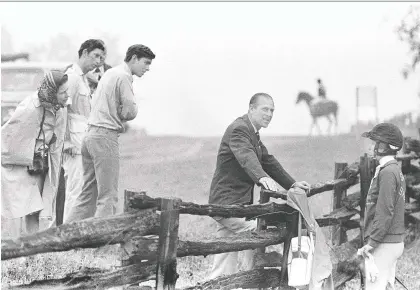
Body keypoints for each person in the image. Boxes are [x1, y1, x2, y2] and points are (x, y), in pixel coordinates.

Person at [208, 92, 310, 279]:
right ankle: (252, 278)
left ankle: (224, 282)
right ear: (251, 108)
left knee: (225, 254)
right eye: (265, 109)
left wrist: (293, 183)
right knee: (256, 231)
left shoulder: (252, 133)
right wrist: (261, 177)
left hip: (237, 205)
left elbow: (268, 161)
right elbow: (246, 157)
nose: (269, 114)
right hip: (227, 204)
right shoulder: (239, 129)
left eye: (272, 110)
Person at [64, 44, 156, 222]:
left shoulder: (110, 73)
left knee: (87, 193)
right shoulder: (123, 77)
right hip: (105, 137)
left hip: (89, 136)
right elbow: (130, 111)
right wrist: (122, 113)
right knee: (108, 195)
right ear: (134, 58)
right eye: (145, 63)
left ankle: (67, 237)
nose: (147, 68)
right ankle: (104, 242)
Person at [1, 71, 69, 235]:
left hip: (40, 164)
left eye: (68, 91)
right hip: (21, 164)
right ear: (52, 92)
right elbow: (9, 135)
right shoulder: (30, 108)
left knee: (35, 208)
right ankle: (13, 248)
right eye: (63, 92)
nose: (67, 96)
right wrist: (31, 150)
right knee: (22, 208)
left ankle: (31, 248)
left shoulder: (59, 107)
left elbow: (57, 140)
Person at [61, 39, 106, 223]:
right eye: (96, 55)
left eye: (102, 57)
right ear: (85, 53)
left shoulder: (84, 79)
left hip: (84, 141)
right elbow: (62, 109)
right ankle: (67, 236)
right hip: (73, 142)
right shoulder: (71, 77)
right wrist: (66, 141)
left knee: (83, 190)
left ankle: (75, 233)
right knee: (75, 189)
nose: (99, 61)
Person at [358, 123, 406, 290]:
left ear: (385, 147)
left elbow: (385, 211)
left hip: (385, 243)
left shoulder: (387, 173)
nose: (371, 147)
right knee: (386, 286)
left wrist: (373, 242)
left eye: (375, 142)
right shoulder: (392, 169)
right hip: (392, 242)